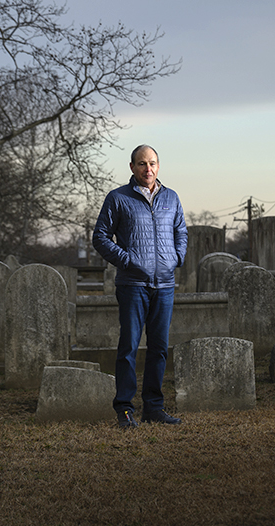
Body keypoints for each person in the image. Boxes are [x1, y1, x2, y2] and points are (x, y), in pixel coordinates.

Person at [92, 144, 188, 428]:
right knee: (129, 347)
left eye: (153, 163)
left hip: (165, 285)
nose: (148, 169)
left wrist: (176, 257)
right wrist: (127, 260)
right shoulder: (118, 198)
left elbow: (181, 231)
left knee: (159, 348)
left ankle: (154, 408)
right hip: (132, 284)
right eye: (142, 163)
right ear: (132, 167)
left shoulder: (171, 197)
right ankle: (124, 409)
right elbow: (100, 236)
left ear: (158, 166)